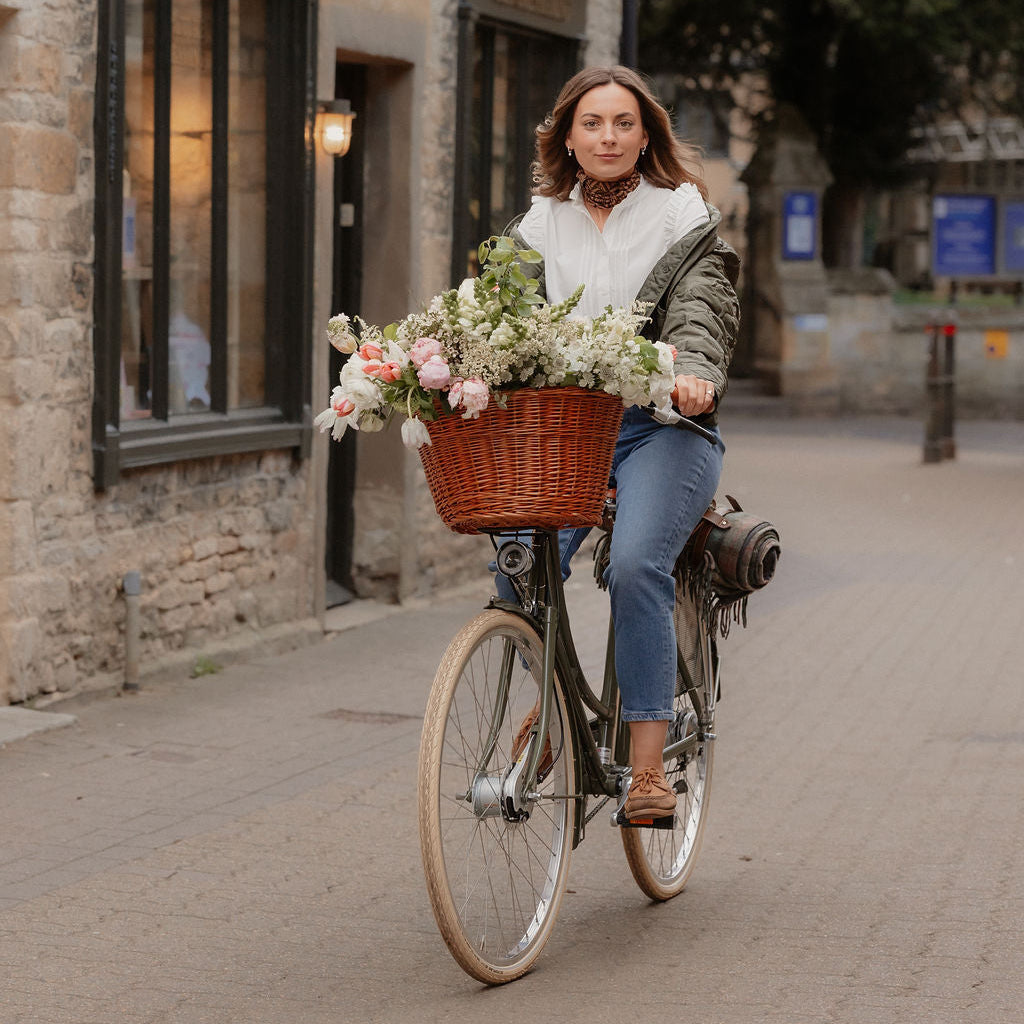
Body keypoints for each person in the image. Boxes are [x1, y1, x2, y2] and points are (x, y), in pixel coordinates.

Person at [503, 66, 740, 820]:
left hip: (663, 426)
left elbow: (704, 306)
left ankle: (646, 770)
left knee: (637, 564)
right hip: (569, 429)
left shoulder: (681, 215)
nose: (608, 137)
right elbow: (502, 319)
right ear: (567, 137)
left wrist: (694, 371)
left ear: (646, 137)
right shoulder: (538, 226)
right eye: (593, 124)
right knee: (515, 563)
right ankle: (554, 702)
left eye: (623, 124)